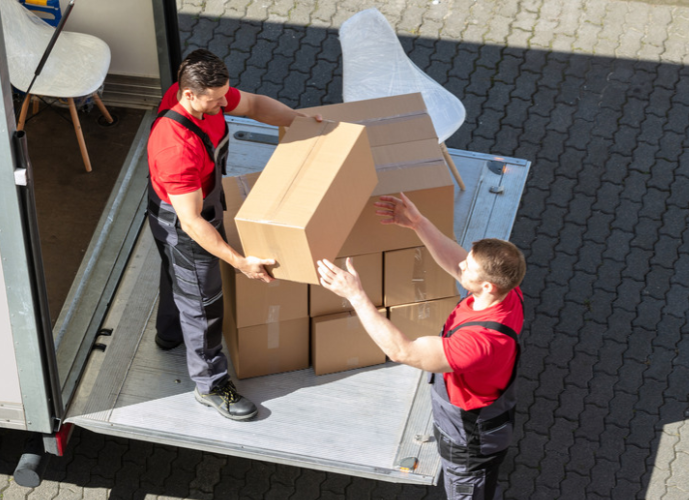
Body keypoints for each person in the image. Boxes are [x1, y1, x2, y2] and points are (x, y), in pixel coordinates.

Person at [146, 49, 320, 421]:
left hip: (187, 204)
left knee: (175, 276)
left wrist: (300, 121)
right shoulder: (175, 146)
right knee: (204, 303)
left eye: (225, 94)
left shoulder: (203, 95)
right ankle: (210, 385)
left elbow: (255, 104)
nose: (226, 103)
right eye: (217, 99)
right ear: (189, 95)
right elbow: (192, 223)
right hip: (185, 221)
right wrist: (240, 262)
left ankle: (169, 333)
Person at [317, 192, 526, 500]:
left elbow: (403, 351)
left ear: (487, 287)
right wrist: (418, 223)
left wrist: (356, 296)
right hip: (475, 417)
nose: (461, 264)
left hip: (469, 443)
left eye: (469, 266)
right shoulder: (508, 294)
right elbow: (457, 265)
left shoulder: (478, 343)